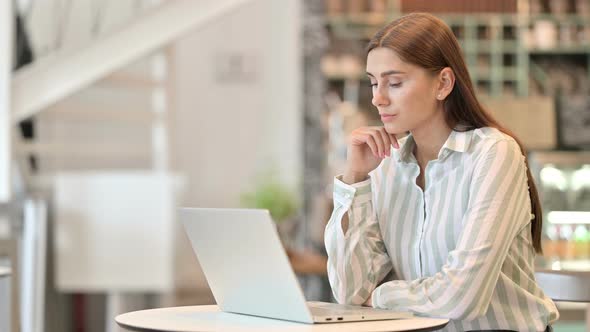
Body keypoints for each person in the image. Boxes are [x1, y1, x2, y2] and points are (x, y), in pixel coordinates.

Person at [324, 13, 559, 332]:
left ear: (444, 83)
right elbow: (349, 292)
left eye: (394, 83)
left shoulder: (492, 153)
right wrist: (356, 179)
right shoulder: (386, 165)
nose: (378, 98)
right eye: (373, 82)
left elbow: (464, 296)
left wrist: (380, 296)